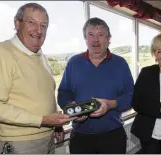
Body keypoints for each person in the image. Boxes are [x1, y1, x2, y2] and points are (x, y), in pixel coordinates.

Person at [0, 3, 79, 154]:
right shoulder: (0, 53)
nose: (38, 30)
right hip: (19, 143)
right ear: (17, 23)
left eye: (43, 25)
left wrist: (56, 124)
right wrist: (42, 120)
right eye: (31, 22)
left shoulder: (40, 56)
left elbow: (41, 97)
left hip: (47, 137)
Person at [57, 17, 134, 154]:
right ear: (85, 38)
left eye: (100, 35)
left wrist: (111, 104)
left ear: (108, 38)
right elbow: (63, 92)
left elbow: (131, 96)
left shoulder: (121, 64)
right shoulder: (74, 63)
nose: (95, 40)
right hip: (81, 137)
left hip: (113, 136)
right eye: (90, 35)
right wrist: (72, 108)